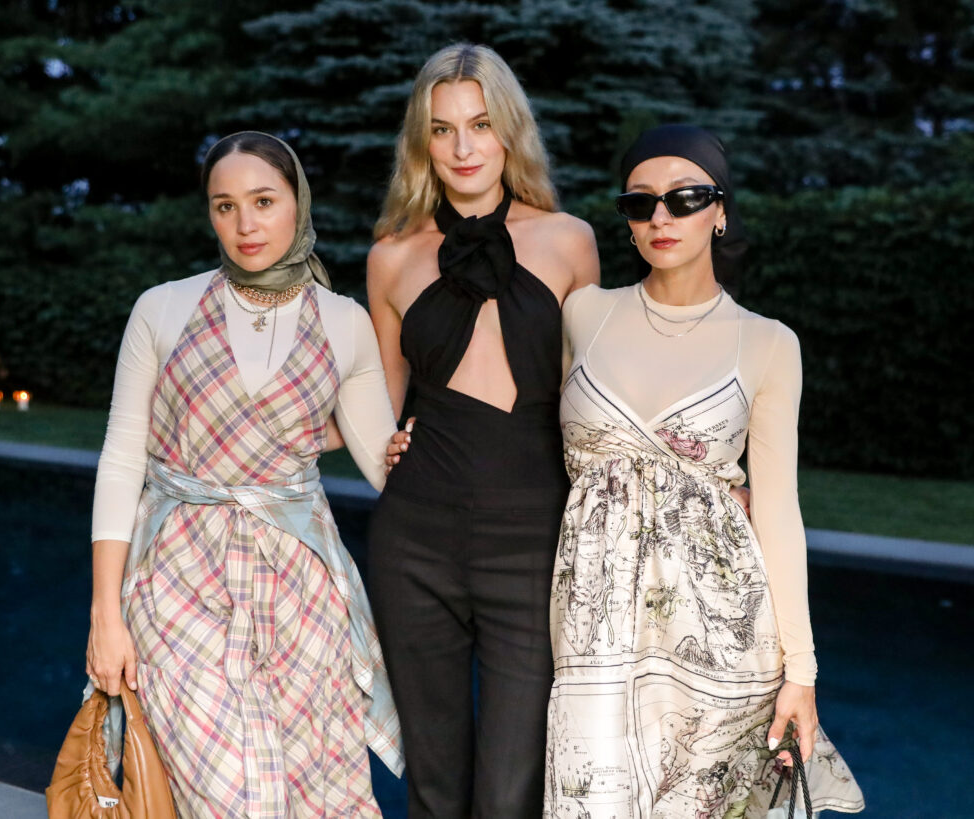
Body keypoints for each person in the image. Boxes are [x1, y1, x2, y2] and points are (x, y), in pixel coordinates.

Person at [542, 125, 865, 817]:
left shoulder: (768, 343)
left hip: (722, 630)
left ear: (720, 212)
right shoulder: (584, 314)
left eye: (685, 198)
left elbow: (778, 511)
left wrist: (802, 672)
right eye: (640, 202)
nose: (661, 217)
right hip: (594, 627)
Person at [84, 131, 403, 818]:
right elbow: (122, 459)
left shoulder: (344, 322)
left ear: (298, 203)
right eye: (224, 206)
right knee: (227, 793)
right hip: (177, 578)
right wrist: (104, 613)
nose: (245, 224)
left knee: (319, 792)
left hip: (301, 591)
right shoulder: (162, 308)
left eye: (263, 201)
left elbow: (387, 464)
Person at [365, 43, 600, 818]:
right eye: (443, 129)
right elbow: (378, 405)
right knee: (434, 786)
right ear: (422, 141)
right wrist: (373, 442)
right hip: (415, 540)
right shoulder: (391, 257)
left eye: (480, 124)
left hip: (533, 538)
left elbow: (597, 399)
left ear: (509, 131)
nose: (463, 147)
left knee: (510, 792)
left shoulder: (569, 241)